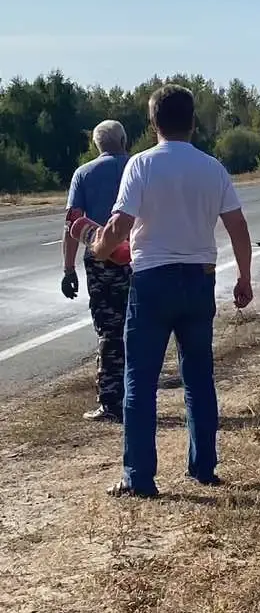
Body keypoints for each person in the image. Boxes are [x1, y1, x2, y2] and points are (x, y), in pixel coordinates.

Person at [90, 84, 254, 499]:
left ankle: (139, 477)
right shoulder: (212, 167)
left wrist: (98, 247)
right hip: (199, 279)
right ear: (193, 122)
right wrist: (245, 278)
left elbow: (120, 226)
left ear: (153, 124)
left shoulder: (142, 165)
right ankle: (203, 467)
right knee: (199, 378)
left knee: (139, 380)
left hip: (152, 281)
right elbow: (237, 226)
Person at [62, 120, 131, 423]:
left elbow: (73, 225)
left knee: (109, 328)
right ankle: (137, 392)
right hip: (142, 255)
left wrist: (68, 268)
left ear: (96, 146)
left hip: (102, 260)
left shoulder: (83, 174)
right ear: (124, 140)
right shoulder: (140, 165)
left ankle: (112, 400)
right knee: (140, 325)